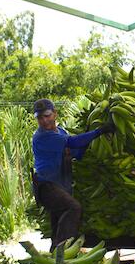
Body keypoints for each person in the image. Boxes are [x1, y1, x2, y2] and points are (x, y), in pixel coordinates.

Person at [31, 99, 114, 251]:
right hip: (47, 187)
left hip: (61, 185)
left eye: (47, 116)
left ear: (55, 114)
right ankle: (62, 252)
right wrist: (98, 132)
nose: (44, 120)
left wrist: (88, 140)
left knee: (58, 226)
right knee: (73, 208)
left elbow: (76, 153)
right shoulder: (42, 136)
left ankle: (55, 259)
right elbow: (73, 143)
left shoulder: (60, 132)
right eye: (40, 117)